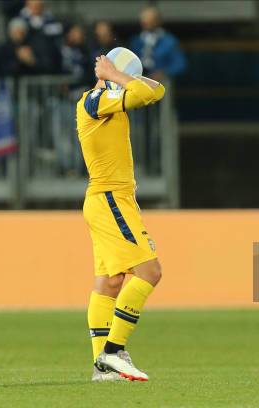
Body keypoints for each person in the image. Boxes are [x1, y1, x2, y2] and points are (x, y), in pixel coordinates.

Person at [77, 55, 165, 382]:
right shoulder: (96, 100)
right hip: (111, 198)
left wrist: (121, 75)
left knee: (111, 282)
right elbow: (144, 94)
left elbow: (156, 91)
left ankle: (102, 366)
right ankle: (113, 352)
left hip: (104, 200)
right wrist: (114, 74)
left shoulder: (108, 100)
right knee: (150, 271)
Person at [130, 6, 186, 81]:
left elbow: (180, 64)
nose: (146, 22)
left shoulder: (169, 41)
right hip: (139, 80)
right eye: (144, 20)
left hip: (162, 81)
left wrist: (164, 72)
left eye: (150, 20)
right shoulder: (136, 41)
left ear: (157, 21)